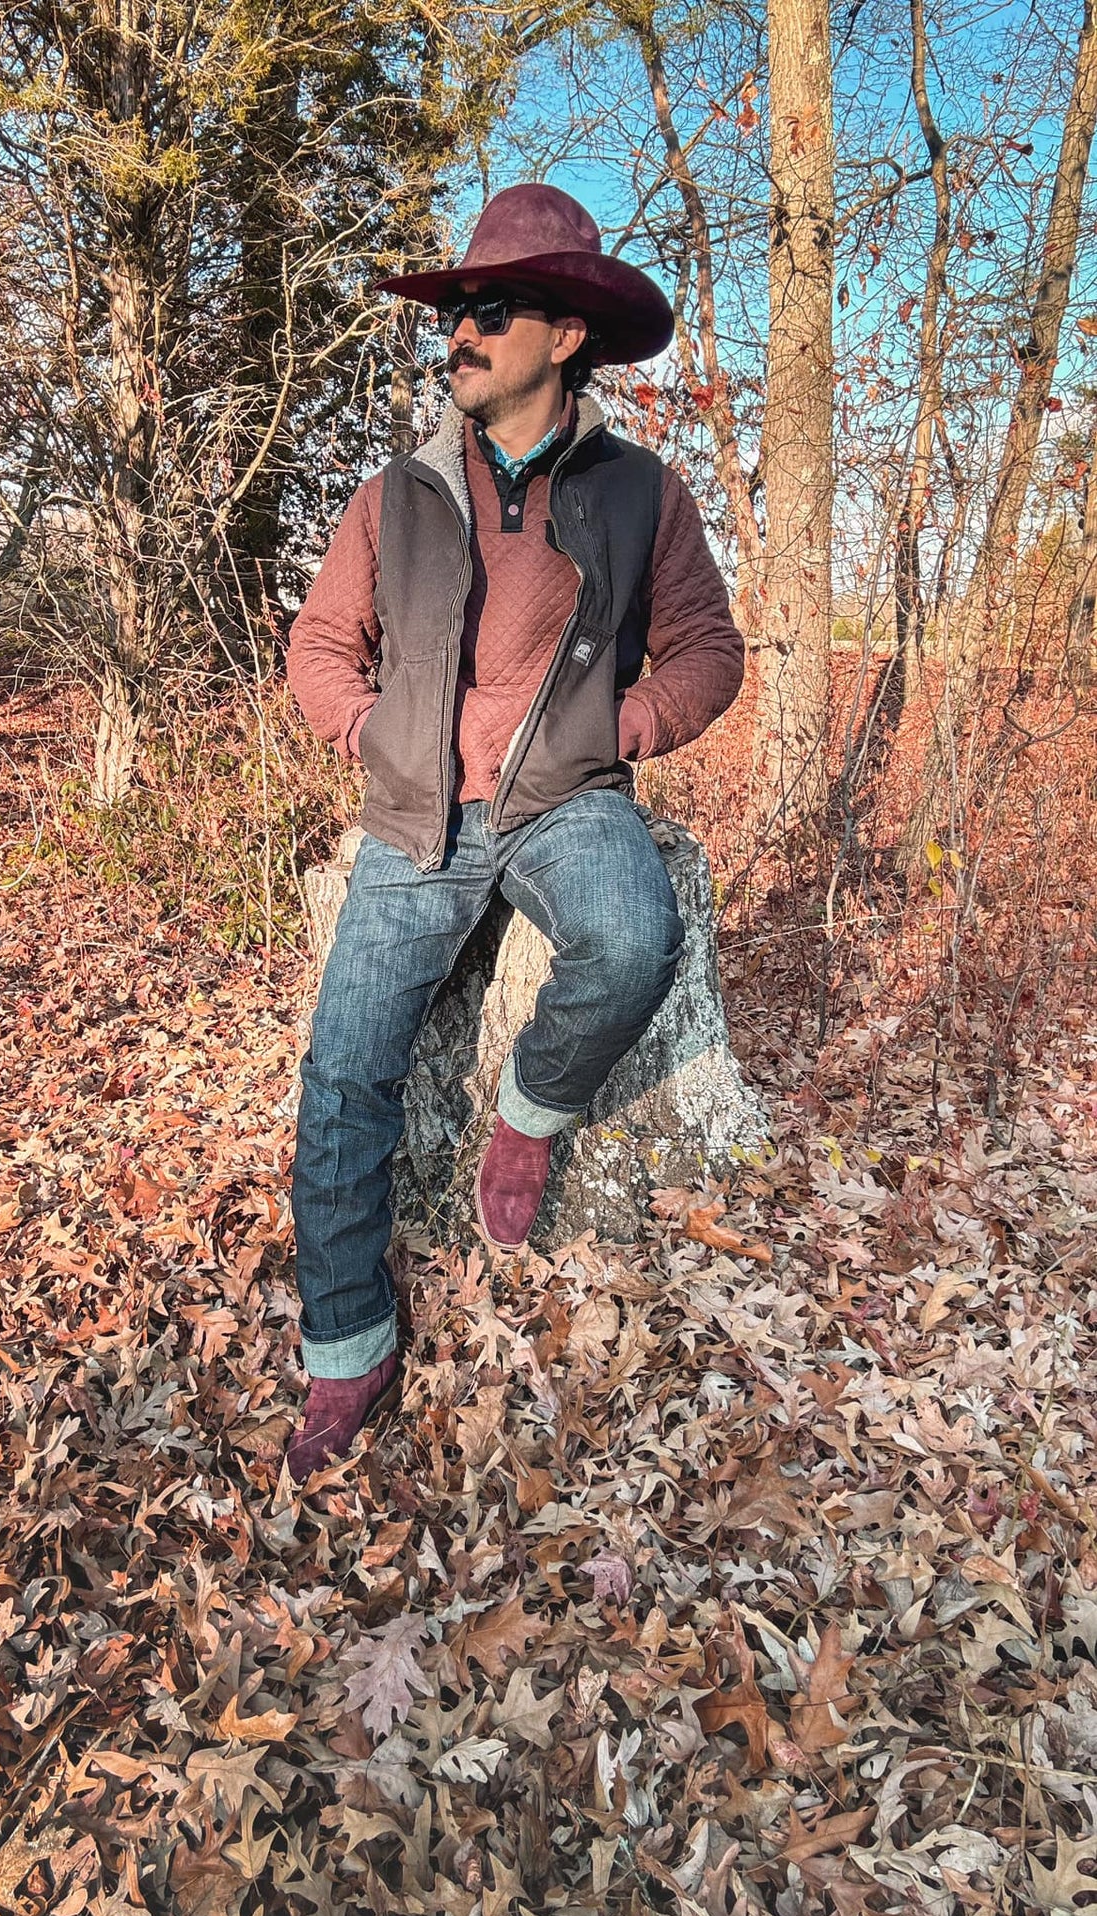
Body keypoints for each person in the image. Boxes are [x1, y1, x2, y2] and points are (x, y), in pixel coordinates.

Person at [282, 183, 745, 1482]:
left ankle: (530, 1114)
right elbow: (319, 648)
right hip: (417, 813)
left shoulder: (640, 495)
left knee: (628, 932)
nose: (460, 335)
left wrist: (626, 728)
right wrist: (374, 735)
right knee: (342, 1078)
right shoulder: (396, 498)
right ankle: (348, 1348)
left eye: (488, 310)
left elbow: (710, 649)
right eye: (456, 311)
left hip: (567, 802)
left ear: (560, 338)